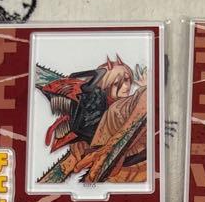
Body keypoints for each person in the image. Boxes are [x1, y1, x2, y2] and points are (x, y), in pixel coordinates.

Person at [37, 56, 148, 185]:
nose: (126, 86)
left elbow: (145, 100)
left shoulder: (125, 106)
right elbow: (67, 166)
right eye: (117, 83)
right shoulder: (97, 110)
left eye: (128, 80)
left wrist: (110, 147)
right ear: (106, 86)